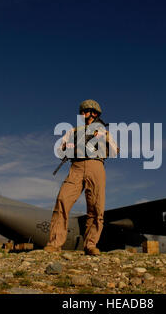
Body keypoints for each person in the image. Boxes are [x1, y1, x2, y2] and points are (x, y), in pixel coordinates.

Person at [44, 99, 118, 255]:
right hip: (76, 167)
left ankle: (90, 245)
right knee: (62, 200)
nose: (83, 114)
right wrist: (66, 147)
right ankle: (54, 243)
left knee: (96, 207)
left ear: (94, 113)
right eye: (82, 112)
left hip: (95, 166)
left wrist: (102, 138)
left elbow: (114, 151)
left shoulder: (104, 132)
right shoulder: (73, 131)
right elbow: (60, 150)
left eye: (85, 111)